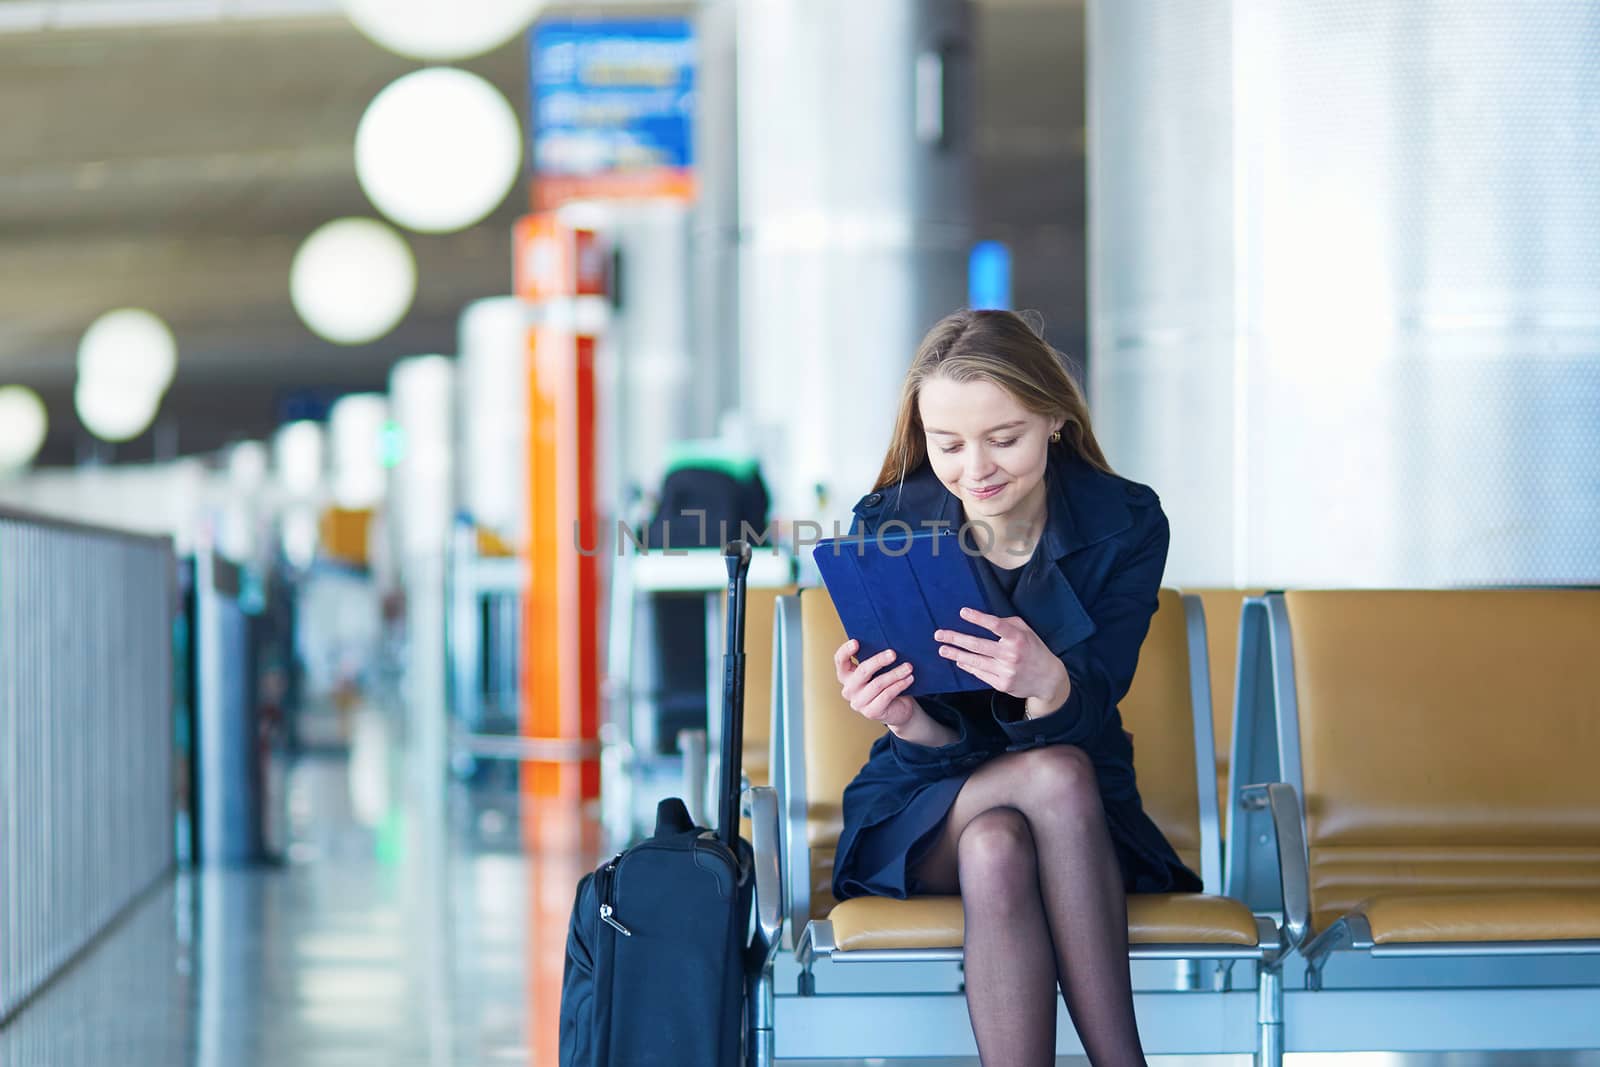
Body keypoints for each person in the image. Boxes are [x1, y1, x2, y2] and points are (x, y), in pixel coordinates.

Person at [829, 309, 1200, 1067]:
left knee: (1004, 839)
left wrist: (1051, 683)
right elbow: (925, 743)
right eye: (947, 445)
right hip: (926, 800)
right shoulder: (889, 522)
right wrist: (903, 718)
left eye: (1004, 438)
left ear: (1056, 418)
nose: (975, 469)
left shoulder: (1126, 522)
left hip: (1079, 820)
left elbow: (1098, 699)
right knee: (1048, 780)